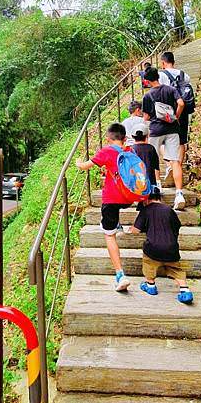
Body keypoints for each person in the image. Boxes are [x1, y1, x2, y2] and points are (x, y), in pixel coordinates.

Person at [76, 122, 132, 292]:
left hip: (111, 199)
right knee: (115, 216)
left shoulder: (107, 151)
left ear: (108, 139)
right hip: (128, 197)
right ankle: (118, 224)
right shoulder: (130, 150)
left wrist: (78, 162)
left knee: (109, 235)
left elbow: (85, 166)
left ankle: (120, 274)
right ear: (125, 138)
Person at [130, 187, 193, 303]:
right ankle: (185, 290)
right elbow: (177, 226)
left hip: (153, 249)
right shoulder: (169, 210)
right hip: (171, 249)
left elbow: (135, 230)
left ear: (146, 200)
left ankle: (150, 285)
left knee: (149, 264)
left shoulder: (145, 210)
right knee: (176, 269)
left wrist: (131, 228)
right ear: (159, 198)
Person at [141, 66, 186, 210]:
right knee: (176, 161)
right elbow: (181, 103)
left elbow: (146, 117)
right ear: (158, 76)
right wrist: (176, 117)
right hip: (172, 129)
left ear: (147, 81)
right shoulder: (170, 89)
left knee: (154, 161)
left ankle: (158, 186)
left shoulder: (147, 96)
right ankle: (179, 194)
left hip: (155, 130)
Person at [159, 51, 192, 164]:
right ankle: (179, 165)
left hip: (168, 111)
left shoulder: (161, 75)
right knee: (181, 141)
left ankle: (171, 166)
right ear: (174, 62)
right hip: (182, 110)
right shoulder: (184, 75)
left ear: (163, 63)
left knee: (164, 140)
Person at [130, 122, 160, 188]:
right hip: (150, 181)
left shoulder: (131, 149)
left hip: (136, 182)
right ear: (147, 136)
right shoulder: (151, 148)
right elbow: (156, 166)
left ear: (132, 136)